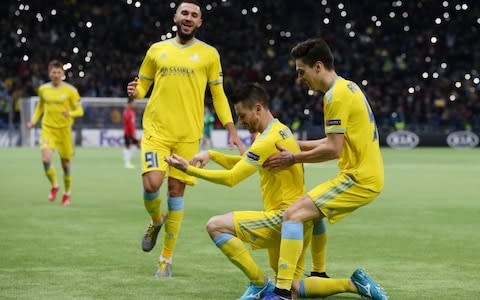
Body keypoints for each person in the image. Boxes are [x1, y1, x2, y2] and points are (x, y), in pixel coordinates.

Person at [166, 83, 382, 300]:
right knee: (294, 287)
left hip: (282, 218)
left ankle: (258, 283)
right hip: (299, 222)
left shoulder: (267, 139)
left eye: (242, 115)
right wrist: (212, 155)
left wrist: (188, 170)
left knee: (215, 226)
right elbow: (245, 162)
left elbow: (232, 178)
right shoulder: (278, 130)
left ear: (258, 108)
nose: (241, 121)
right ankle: (354, 284)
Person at [262, 38, 388, 300]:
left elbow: (333, 149)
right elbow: (333, 140)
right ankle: (318, 275)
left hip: (359, 179)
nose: (300, 78)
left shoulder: (334, 96)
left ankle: (283, 291)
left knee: (293, 214)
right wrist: (295, 145)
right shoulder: (348, 87)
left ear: (317, 66)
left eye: (301, 71)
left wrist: (293, 159)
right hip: (362, 174)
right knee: (312, 212)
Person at [126, 0, 244, 278]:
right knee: (151, 184)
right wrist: (136, 90)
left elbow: (218, 95)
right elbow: (143, 86)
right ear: (176, 17)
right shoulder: (157, 50)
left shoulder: (209, 54)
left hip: (188, 135)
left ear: (200, 22)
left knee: (176, 192)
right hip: (157, 130)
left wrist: (231, 128)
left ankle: (166, 260)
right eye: (185, 13)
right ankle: (156, 220)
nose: (189, 17)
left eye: (194, 15)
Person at [27, 59, 84, 207]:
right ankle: (54, 185)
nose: (56, 75)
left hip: (64, 132)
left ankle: (67, 193)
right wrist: (33, 120)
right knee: (46, 159)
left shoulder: (71, 91)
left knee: (65, 164)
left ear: (63, 74)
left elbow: (80, 110)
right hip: (48, 129)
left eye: (59, 72)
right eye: (54, 72)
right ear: (49, 73)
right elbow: (40, 106)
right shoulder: (43, 89)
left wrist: (70, 113)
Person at [123, 98, 140, 169]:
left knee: (138, 145)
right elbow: (129, 123)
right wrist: (132, 132)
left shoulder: (131, 112)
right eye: (133, 103)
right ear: (130, 103)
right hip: (128, 132)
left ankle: (129, 161)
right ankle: (127, 163)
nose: (134, 104)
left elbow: (132, 123)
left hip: (131, 132)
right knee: (128, 147)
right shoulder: (127, 112)